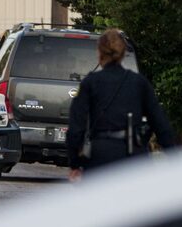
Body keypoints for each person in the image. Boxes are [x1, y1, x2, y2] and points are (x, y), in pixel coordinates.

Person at [66, 28, 176, 178]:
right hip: (133, 158)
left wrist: (75, 162)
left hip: (100, 157)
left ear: (99, 53)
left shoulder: (90, 83)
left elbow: (75, 128)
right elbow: (160, 124)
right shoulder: (139, 83)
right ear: (123, 54)